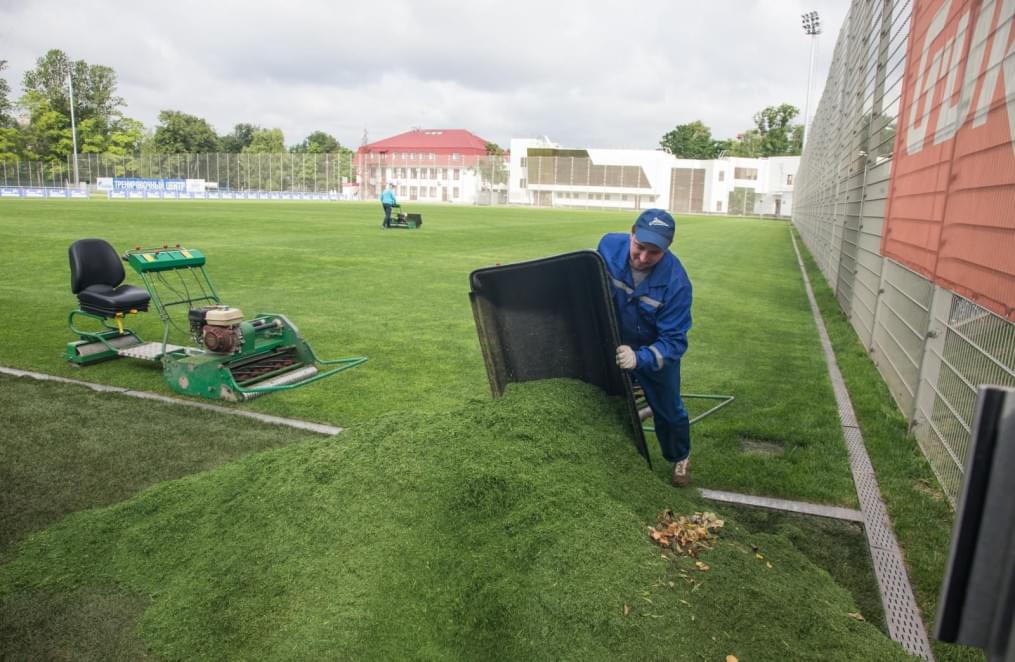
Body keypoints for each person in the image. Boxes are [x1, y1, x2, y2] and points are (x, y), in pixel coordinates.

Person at [597, 209, 693, 486]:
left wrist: (640, 359)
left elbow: (674, 342)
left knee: (669, 410)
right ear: (631, 233)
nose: (642, 258)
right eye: (639, 247)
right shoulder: (607, 247)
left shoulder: (677, 284)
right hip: (615, 343)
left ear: (667, 249)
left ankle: (680, 456)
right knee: (606, 399)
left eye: (653, 253)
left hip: (654, 351)